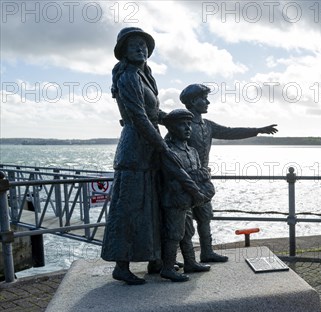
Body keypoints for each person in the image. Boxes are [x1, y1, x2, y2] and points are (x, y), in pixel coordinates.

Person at [101, 27, 202, 285]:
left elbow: (154, 115)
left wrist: (172, 119)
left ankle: (155, 260)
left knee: (152, 206)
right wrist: (163, 146)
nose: (140, 49)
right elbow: (139, 118)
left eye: (144, 45)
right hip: (135, 150)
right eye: (134, 44)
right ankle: (121, 265)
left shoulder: (144, 77)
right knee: (129, 208)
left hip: (148, 149)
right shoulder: (128, 78)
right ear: (123, 51)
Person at [179, 84, 278, 262]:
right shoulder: (182, 124)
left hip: (202, 179)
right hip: (184, 179)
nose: (208, 102)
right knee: (184, 221)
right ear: (193, 101)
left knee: (205, 216)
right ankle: (188, 259)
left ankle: (207, 252)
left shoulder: (208, 125)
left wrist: (257, 130)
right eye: (204, 98)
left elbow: (231, 132)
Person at [159, 109, 215, 282]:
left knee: (188, 232)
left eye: (189, 124)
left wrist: (199, 180)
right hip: (175, 200)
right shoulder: (168, 151)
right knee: (174, 234)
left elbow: (199, 174)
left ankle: (190, 262)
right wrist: (196, 183)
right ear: (171, 128)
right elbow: (178, 176)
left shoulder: (192, 151)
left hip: (188, 200)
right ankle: (167, 268)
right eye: (182, 124)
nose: (188, 128)